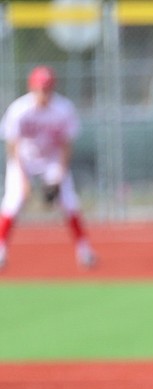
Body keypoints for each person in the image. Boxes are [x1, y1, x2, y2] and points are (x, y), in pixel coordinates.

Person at [1, 65, 97, 270]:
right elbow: (13, 144)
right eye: (40, 88)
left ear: (53, 88)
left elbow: (66, 144)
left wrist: (59, 173)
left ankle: (84, 250)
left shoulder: (63, 109)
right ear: (32, 87)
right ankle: (1, 250)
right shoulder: (19, 109)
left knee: (70, 202)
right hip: (23, 160)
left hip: (52, 160)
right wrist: (24, 180)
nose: (43, 92)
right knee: (13, 202)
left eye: (47, 88)